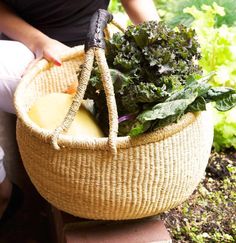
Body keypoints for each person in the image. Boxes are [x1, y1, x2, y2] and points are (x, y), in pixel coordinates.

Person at [0, 0, 159, 223]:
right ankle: (2, 193)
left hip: (87, 57)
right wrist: (39, 42)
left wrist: (162, 48)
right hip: (25, 54)